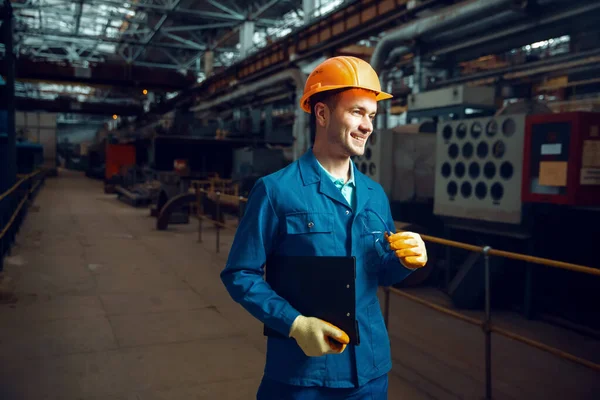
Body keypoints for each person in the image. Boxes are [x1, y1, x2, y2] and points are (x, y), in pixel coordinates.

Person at [220, 56, 428, 399]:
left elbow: (382, 273)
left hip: (370, 373)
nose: (368, 126)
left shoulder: (375, 195)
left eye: (372, 115)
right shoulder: (276, 191)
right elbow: (240, 273)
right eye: (357, 113)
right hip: (302, 375)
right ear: (322, 114)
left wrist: (408, 262)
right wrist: (294, 323)